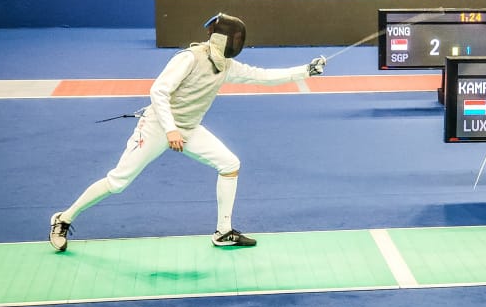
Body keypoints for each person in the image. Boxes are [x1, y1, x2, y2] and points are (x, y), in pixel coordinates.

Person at [49, 14, 327, 252]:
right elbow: (158, 91)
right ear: (223, 39)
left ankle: (223, 232)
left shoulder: (225, 65)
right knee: (118, 182)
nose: (238, 44)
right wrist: (170, 130)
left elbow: (263, 76)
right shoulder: (189, 58)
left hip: (189, 128)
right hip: (158, 126)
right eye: (236, 39)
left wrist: (306, 70)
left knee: (230, 164)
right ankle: (63, 218)